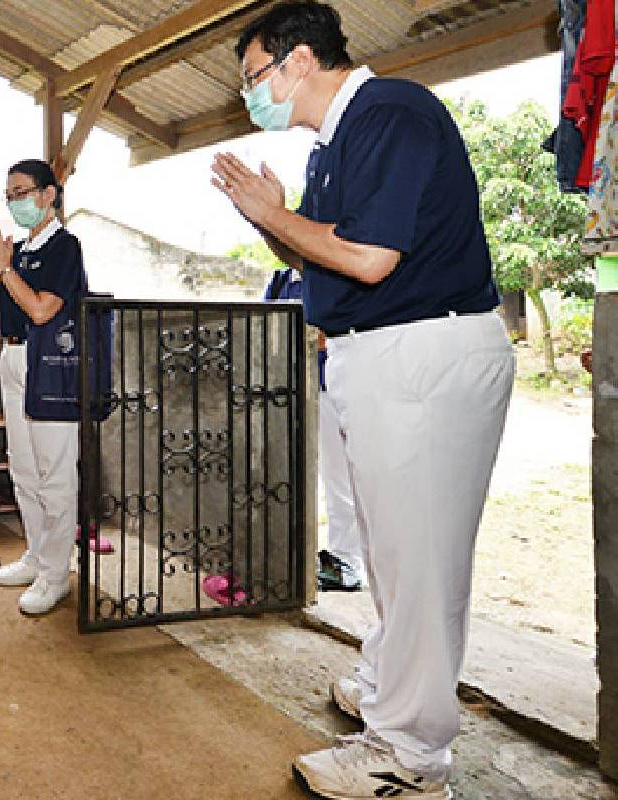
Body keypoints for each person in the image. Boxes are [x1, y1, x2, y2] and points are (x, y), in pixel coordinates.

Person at [213, 3, 514, 797]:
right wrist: (276, 223)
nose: (252, 97)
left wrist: (276, 215)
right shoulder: (339, 143)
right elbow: (330, 258)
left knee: (418, 559)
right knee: (388, 550)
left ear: (299, 61)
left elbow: (373, 260)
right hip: (378, 354)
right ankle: (389, 690)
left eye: (254, 79)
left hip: (421, 350)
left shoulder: (391, 112)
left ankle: (409, 756)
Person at [0, 159, 86, 617]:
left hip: (53, 362)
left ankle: (56, 574)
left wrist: (8, 269)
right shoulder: (15, 252)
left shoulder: (66, 246)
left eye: (23, 192)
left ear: (48, 195)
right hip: (14, 356)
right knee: (22, 466)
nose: (15, 202)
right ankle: (38, 556)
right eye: (10, 195)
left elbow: (42, 310)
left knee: (55, 473)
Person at [263, 266, 363, 591]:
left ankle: (348, 562)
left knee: (342, 479)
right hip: (297, 388)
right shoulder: (282, 280)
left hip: (333, 387)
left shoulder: (335, 273)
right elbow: (266, 329)